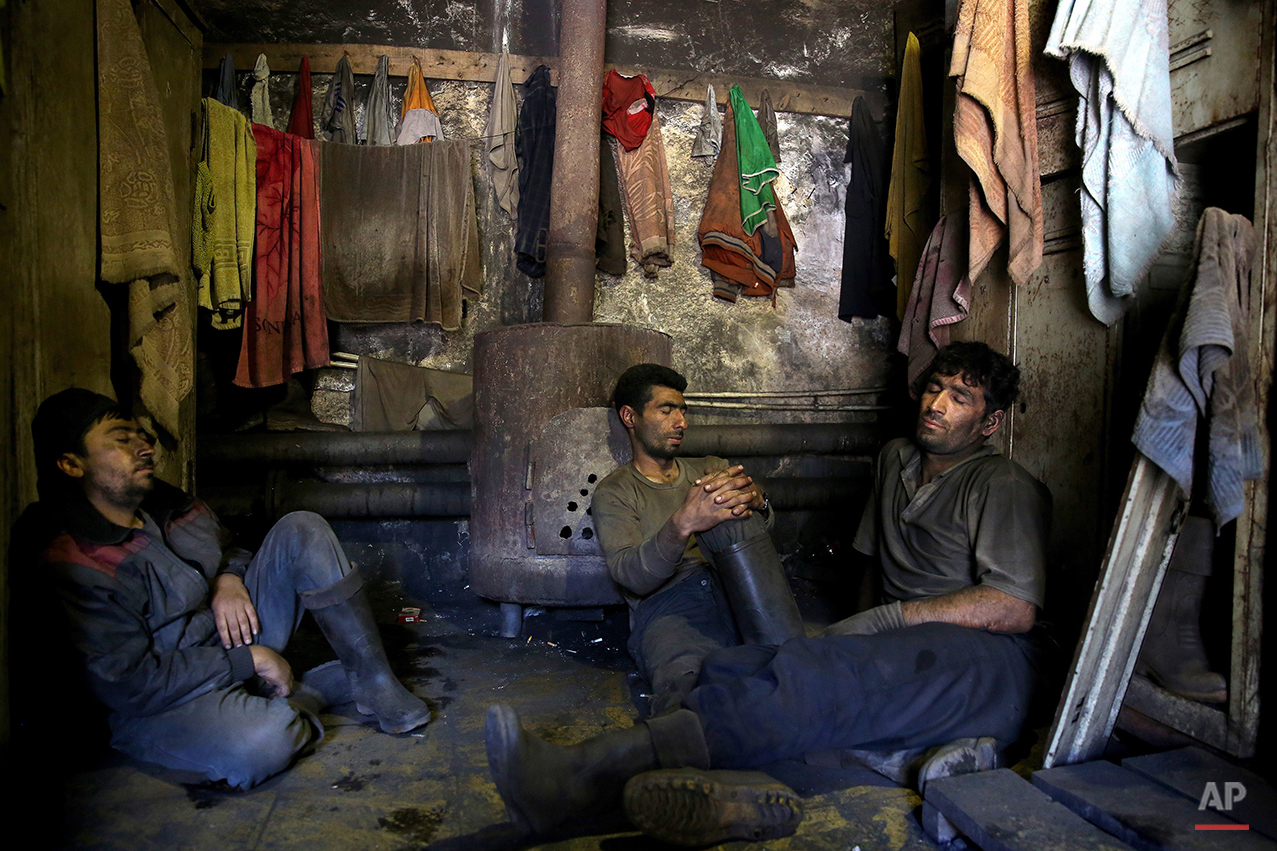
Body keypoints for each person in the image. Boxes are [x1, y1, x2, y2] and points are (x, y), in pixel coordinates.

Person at [485, 342, 1053, 845]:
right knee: (738, 672)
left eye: (960, 398)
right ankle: (738, 794)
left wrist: (880, 624)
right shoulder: (898, 460)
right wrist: (855, 635)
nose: (937, 404)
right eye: (934, 389)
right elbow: (868, 561)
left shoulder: (1000, 484)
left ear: (990, 422)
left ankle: (575, 780)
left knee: (806, 678)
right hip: (682, 603)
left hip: (978, 650)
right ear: (631, 420)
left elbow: (1014, 607)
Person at [15, 389, 432, 790]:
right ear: (71, 464)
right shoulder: (74, 559)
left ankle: (374, 681)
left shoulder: (166, 504)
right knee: (265, 743)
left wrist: (228, 578)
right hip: (164, 698)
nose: (144, 447)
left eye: (140, 436)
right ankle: (303, 693)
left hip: (228, 639)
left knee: (302, 528)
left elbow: (229, 545)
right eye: (121, 440)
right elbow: (128, 683)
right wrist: (247, 661)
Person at [591, 364, 805, 716]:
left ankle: (799, 676)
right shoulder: (615, 491)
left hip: (739, 587)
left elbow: (757, 534)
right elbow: (630, 576)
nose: (681, 423)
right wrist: (683, 523)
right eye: (666, 410)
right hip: (669, 608)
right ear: (630, 416)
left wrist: (757, 499)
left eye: (683, 410)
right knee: (689, 694)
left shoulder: (709, 468)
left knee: (794, 670)